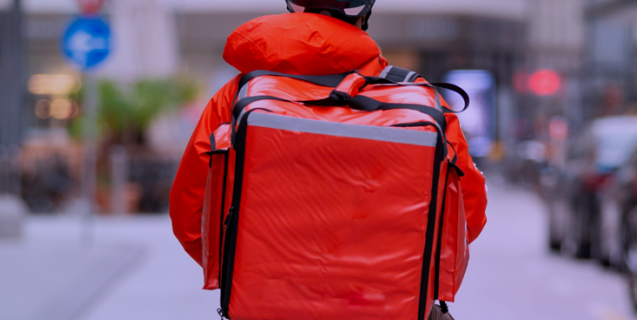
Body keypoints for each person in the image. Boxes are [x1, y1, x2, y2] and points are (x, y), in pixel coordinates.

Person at [169, 1, 488, 315]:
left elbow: (190, 214)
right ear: (364, 12)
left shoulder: (238, 95)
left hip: (267, 303)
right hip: (385, 305)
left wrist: (247, 270)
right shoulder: (419, 96)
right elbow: (467, 215)